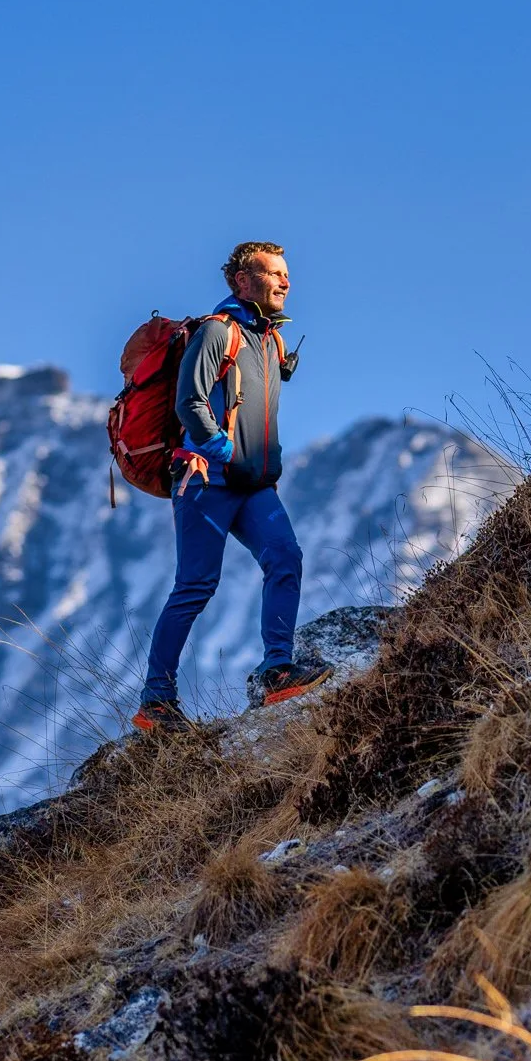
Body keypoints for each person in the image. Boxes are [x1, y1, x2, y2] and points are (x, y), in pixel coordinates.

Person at [133, 241, 331, 731]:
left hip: (254, 483)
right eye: (274, 273)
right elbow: (189, 401)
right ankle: (156, 701)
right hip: (206, 478)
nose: (286, 282)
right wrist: (215, 444)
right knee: (196, 584)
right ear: (243, 281)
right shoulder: (217, 333)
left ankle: (278, 671)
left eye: (287, 274)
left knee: (284, 557)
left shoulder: (270, 339)